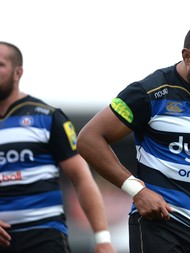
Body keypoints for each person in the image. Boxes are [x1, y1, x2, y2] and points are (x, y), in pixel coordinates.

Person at [76, 20, 190, 253]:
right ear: (187, 56)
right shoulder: (148, 93)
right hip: (159, 224)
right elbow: (89, 139)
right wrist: (136, 190)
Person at [0, 42, 116, 253]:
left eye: (0, 65)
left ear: (18, 72)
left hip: (43, 236)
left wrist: (102, 239)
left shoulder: (47, 117)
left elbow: (81, 177)